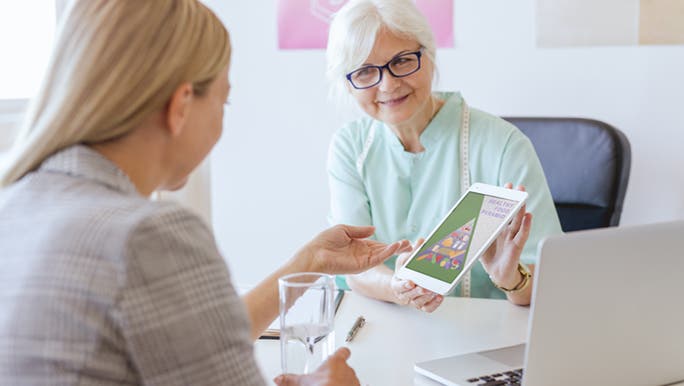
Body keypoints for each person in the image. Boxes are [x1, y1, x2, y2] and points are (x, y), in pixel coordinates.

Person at [0, 1, 412, 385]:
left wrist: (309, 262)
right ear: (181, 105)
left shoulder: (16, 203)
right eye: (224, 101)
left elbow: (194, 340)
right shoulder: (147, 236)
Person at [325, 0, 563, 309]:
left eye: (402, 61)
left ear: (430, 56)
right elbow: (351, 266)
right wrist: (397, 287)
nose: (388, 84)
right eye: (366, 71)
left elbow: (551, 288)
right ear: (348, 84)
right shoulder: (351, 146)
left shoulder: (504, 145)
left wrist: (510, 279)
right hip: (385, 331)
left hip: (486, 342)